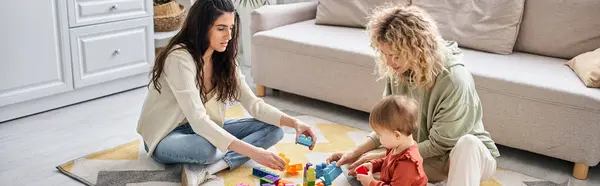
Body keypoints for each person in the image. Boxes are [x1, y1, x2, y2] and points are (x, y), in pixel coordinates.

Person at [136, 0, 317, 185]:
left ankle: (209, 170)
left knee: (274, 130)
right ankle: (217, 160)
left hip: (202, 129)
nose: (229, 35)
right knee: (209, 149)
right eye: (221, 28)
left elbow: (255, 106)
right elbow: (199, 121)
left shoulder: (224, 60)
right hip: (166, 135)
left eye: (231, 27)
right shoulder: (179, 58)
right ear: (201, 27)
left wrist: (295, 123)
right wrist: (255, 152)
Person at [326, 4, 500, 186]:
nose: (388, 62)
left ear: (416, 49)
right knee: (371, 172)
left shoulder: (453, 79)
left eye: (394, 55)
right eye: (384, 54)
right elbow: (389, 124)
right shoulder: (399, 71)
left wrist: (384, 157)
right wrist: (355, 152)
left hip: (464, 158)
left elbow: (440, 144)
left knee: (467, 144)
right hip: (423, 154)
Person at [355, 95, 427, 186]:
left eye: (379, 134)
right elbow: (389, 162)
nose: (377, 137)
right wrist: (374, 165)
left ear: (396, 135)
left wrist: (371, 183)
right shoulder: (398, 146)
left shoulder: (407, 164)